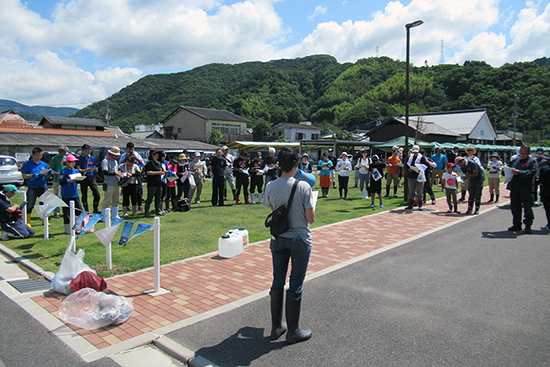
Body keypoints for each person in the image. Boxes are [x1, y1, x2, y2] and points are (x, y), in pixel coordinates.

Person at [263, 147, 315, 344]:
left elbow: (274, 210)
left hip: (279, 239)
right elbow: (310, 218)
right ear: (296, 165)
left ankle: (276, 327)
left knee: (278, 280)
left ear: (279, 165)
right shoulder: (304, 187)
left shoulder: (271, 186)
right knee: (296, 283)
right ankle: (293, 331)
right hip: (300, 239)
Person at [506, 145, 538, 234]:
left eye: (524, 154)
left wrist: (520, 172)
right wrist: (505, 170)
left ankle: (528, 225)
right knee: (515, 207)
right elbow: (509, 166)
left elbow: (532, 172)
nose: (522, 155)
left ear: (528, 153)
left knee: (527, 208)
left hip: (526, 189)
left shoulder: (532, 161)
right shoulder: (516, 161)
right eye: (520, 153)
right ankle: (517, 224)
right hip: (515, 188)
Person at [21, 147, 50, 227]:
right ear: (33, 155)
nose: (38, 157)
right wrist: (33, 175)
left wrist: (47, 175)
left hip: (42, 186)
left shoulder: (43, 164)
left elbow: (46, 174)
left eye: (40, 156)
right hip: (32, 186)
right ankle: (28, 221)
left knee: (44, 204)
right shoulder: (27, 164)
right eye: (37, 155)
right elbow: (24, 175)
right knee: (30, 204)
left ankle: (44, 220)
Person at [59, 154, 83, 234]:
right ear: (67, 163)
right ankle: (67, 228)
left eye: (74, 162)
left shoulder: (76, 170)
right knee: (66, 212)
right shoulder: (63, 171)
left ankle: (78, 227)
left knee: (79, 210)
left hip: (75, 193)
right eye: (72, 162)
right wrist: (68, 181)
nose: (73, 164)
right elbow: (61, 181)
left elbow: (78, 179)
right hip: (66, 194)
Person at [120, 142, 145, 211]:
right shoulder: (124, 155)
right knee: (126, 192)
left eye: (132, 149)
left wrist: (135, 158)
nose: (130, 150)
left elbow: (142, 163)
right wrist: (126, 158)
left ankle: (139, 205)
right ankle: (127, 205)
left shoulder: (137, 154)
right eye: (129, 149)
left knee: (138, 191)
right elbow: (120, 164)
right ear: (127, 149)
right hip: (127, 175)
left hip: (136, 174)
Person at [77, 144, 101, 214]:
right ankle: (86, 209)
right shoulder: (79, 159)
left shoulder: (92, 158)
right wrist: (85, 170)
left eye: (88, 151)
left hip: (91, 177)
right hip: (83, 177)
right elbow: (79, 169)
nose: (87, 152)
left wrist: (95, 170)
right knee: (84, 194)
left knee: (97, 193)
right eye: (86, 151)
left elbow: (94, 166)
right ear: (83, 151)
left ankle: (95, 208)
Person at [101, 146, 123, 220]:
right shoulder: (105, 161)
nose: (116, 156)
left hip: (116, 183)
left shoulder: (115, 161)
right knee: (107, 200)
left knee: (116, 200)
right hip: (109, 183)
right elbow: (105, 172)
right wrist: (116, 173)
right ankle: (104, 216)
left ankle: (115, 215)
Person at [405, 145, 429, 211]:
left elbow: (425, 166)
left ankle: (420, 205)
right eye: (414, 152)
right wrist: (409, 169)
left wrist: (418, 168)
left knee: (420, 191)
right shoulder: (410, 157)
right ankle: (410, 204)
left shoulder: (422, 158)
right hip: (411, 176)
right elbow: (407, 165)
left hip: (419, 176)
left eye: (416, 152)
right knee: (411, 191)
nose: (415, 153)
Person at [144, 149, 167, 217]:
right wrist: (158, 173)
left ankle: (158, 210)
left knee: (158, 197)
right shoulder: (150, 163)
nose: (157, 155)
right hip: (152, 183)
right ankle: (147, 211)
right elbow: (148, 172)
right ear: (152, 155)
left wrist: (165, 171)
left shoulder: (158, 163)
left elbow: (162, 170)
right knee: (150, 198)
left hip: (158, 182)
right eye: (155, 154)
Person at [50, 146, 67, 218]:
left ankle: (66, 211)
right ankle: (56, 212)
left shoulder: (66, 158)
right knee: (57, 196)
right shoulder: (54, 159)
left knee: (65, 196)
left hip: (65, 179)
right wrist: (55, 173)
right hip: (57, 179)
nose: (64, 154)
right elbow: (51, 169)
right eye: (63, 152)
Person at [538, 157, 550, 230]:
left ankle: (549, 224)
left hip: (546, 191)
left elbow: (541, 181)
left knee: (548, 209)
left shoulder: (544, 169)